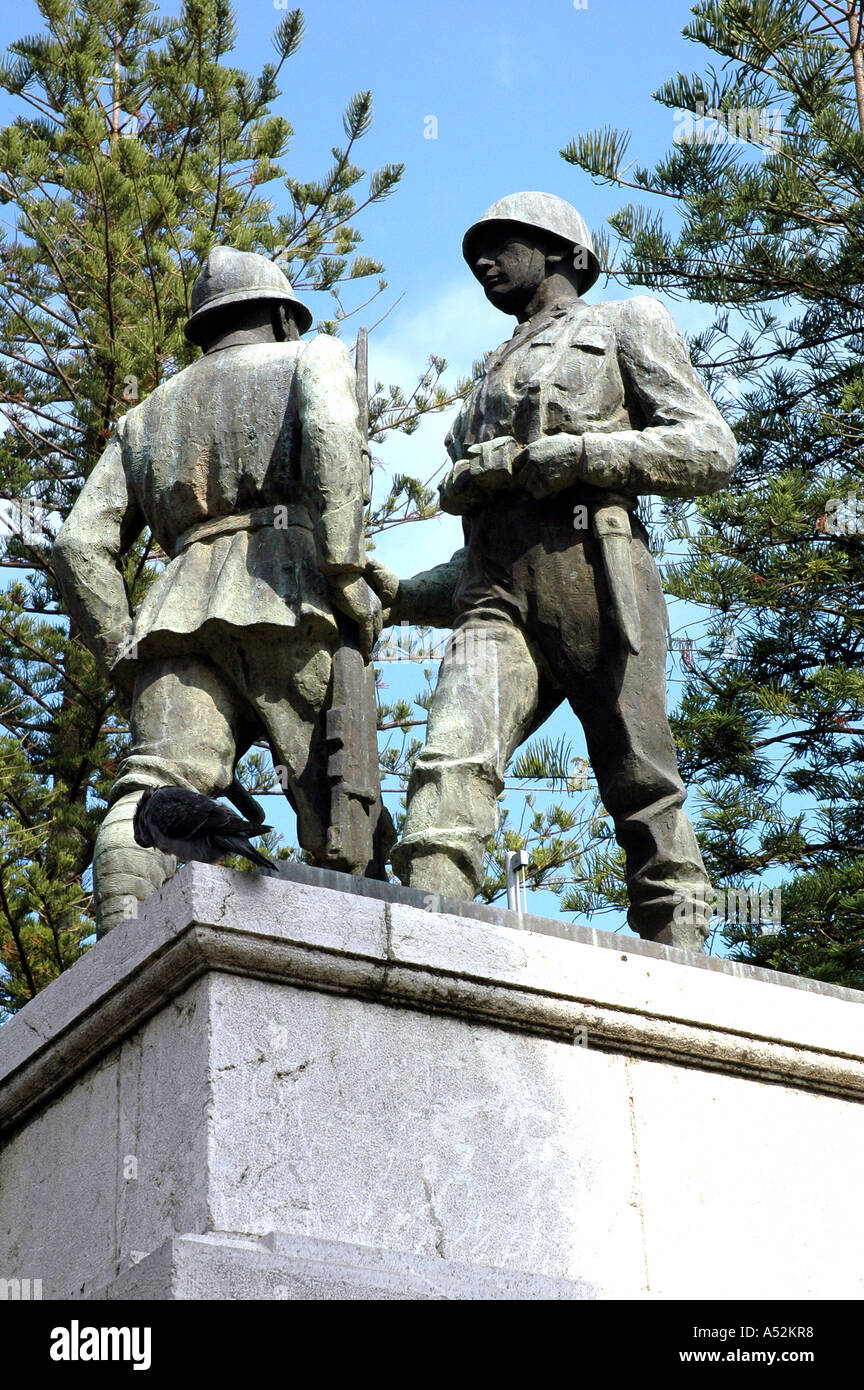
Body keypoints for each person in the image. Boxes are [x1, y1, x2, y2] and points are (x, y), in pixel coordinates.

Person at [370, 192, 737, 950]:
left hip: (598, 574)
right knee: (450, 752)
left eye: (504, 243)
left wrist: (587, 455)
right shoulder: (487, 377)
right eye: (479, 248)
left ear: (566, 252)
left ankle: (681, 948)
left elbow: (710, 448)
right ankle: (425, 939)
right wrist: (404, 594)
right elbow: (480, 548)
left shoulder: (624, 322)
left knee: (641, 778)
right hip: (494, 595)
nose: (483, 260)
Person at [54, 246, 382, 933]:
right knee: (338, 802)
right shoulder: (310, 358)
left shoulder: (145, 415)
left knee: (152, 786)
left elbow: (79, 543)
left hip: (174, 614)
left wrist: (122, 650)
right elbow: (328, 441)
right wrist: (347, 572)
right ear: (283, 318)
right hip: (289, 590)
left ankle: (124, 948)